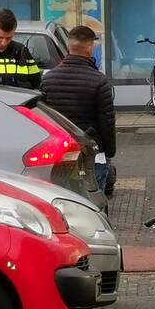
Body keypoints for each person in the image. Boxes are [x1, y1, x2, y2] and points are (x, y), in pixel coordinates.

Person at [39, 25, 116, 190]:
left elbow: (43, 118)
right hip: (91, 151)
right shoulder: (99, 81)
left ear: (68, 47)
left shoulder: (48, 79)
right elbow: (107, 122)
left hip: (59, 151)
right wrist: (109, 151)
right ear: (90, 48)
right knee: (94, 197)